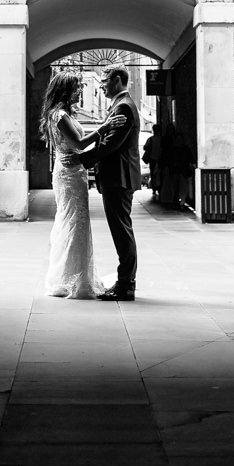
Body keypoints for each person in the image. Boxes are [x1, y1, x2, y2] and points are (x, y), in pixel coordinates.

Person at [81, 65, 141, 301]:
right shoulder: (121, 104)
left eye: (105, 80)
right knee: (121, 231)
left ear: (117, 80)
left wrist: (80, 159)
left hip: (119, 178)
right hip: (116, 177)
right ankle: (125, 282)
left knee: (122, 232)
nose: (102, 84)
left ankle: (126, 285)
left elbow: (111, 144)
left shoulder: (123, 106)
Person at [38, 72, 96, 299]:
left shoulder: (59, 114)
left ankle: (74, 275)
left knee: (73, 220)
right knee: (74, 221)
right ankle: (72, 277)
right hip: (70, 174)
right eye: (77, 88)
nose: (80, 91)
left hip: (71, 171)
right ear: (65, 90)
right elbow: (79, 143)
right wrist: (105, 127)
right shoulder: (60, 116)